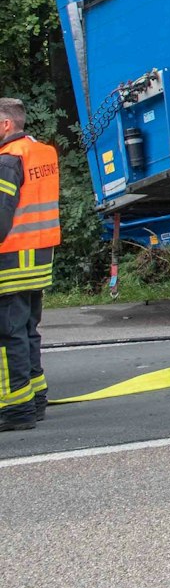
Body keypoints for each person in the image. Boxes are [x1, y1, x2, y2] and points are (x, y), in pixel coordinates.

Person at [0, 97, 60, 432]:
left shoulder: (8, 160)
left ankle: (16, 408)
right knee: (25, 331)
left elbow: (1, 215)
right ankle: (36, 398)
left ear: (6, 124)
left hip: (11, 260)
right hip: (38, 257)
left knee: (7, 336)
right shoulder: (42, 152)